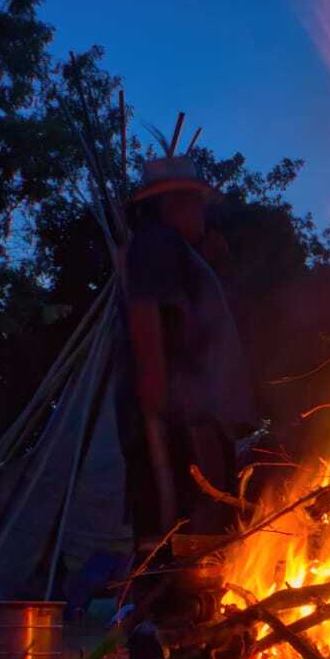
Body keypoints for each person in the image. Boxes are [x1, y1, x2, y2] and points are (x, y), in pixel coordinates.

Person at [115, 155, 257, 579]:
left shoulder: (179, 252)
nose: (201, 213)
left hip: (193, 411)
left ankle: (193, 616)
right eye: (194, 204)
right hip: (177, 416)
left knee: (198, 521)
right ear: (172, 205)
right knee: (172, 523)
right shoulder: (155, 242)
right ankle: (163, 621)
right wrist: (155, 394)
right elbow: (146, 314)